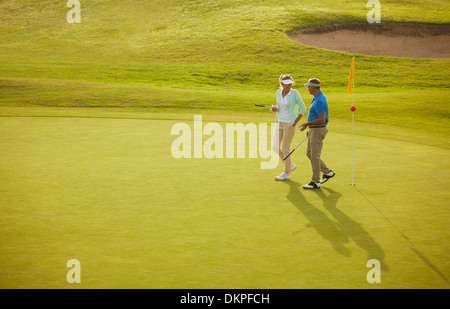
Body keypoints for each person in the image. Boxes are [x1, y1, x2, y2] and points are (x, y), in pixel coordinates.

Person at [298, 78, 335, 189]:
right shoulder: (317, 97)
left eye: (308, 87)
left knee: (315, 156)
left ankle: (315, 181)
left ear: (312, 87)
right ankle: (327, 172)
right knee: (310, 154)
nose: (308, 89)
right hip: (315, 129)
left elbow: (322, 119)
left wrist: (306, 124)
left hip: (318, 129)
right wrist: (311, 128)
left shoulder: (319, 100)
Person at [271, 74, 306, 181]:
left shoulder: (295, 93)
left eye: (290, 83)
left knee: (286, 148)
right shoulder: (278, 92)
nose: (289, 85)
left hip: (289, 124)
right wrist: (275, 108)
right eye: (286, 84)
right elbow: (280, 106)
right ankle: (289, 165)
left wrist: (295, 122)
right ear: (281, 84)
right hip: (279, 122)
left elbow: (303, 108)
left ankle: (286, 173)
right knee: (275, 147)